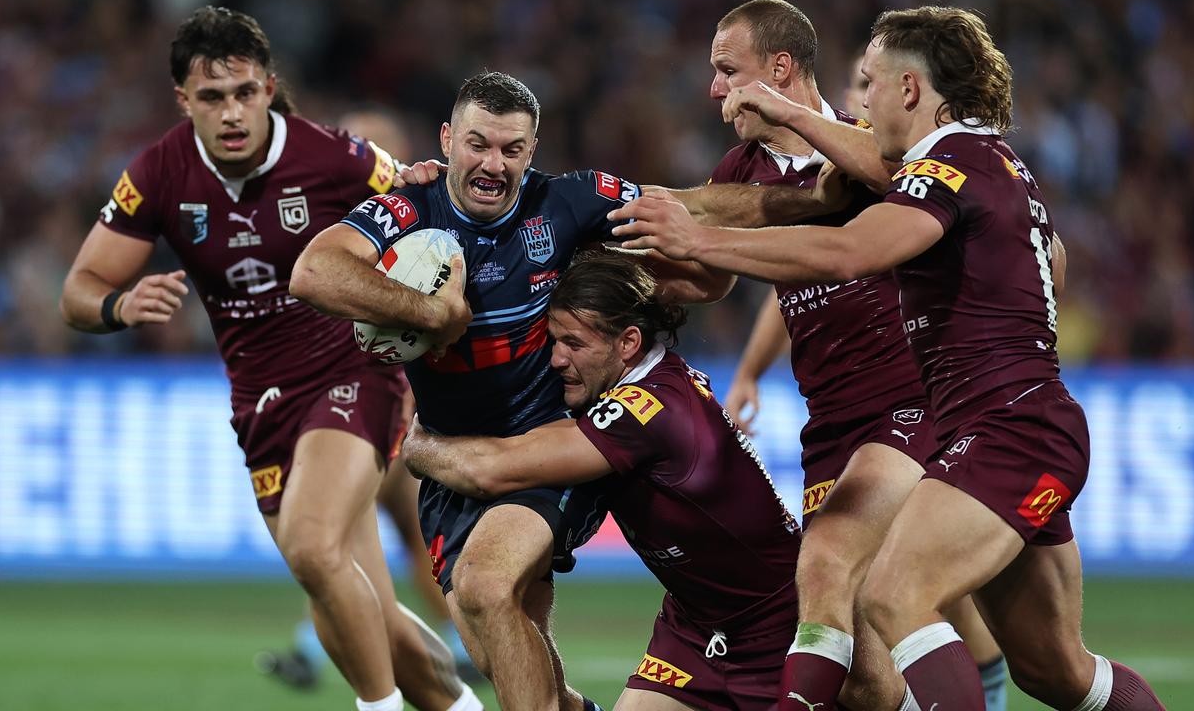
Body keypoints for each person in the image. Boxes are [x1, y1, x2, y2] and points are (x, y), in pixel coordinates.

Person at [612, 5, 1165, 711]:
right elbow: (1046, 258)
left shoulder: (952, 165)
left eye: (870, 82)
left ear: (910, 90)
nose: (861, 98)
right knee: (1057, 671)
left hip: (1000, 429)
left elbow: (846, 253)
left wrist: (697, 239)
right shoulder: (989, 162)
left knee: (891, 593)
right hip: (1003, 427)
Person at [291, 69, 845, 710]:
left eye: (511, 150)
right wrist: (435, 314)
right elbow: (315, 271)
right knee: (504, 650)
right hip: (453, 465)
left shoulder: (566, 203)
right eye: (477, 144)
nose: (492, 164)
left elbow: (693, 203)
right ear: (446, 140)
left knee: (485, 584)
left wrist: (814, 201)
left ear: (533, 151)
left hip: (543, 448)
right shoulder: (407, 210)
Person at [58, 7, 477, 711]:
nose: (231, 112)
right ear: (182, 101)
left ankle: (377, 709)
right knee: (359, 602)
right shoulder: (160, 173)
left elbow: (436, 219)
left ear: (269, 88)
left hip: (354, 373)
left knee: (314, 550)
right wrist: (119, 308)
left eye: (245, 92)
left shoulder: (333, 157)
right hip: (261, 405)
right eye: (213, 97)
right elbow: (78, 291)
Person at [705, 0, 1005, 710]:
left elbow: (856, 241)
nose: (716, 91)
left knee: (836, 564)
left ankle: (981, 684)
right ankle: (974, 682)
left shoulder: (871, 147)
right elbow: (777, 273)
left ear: (779, 68)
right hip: (831, 424)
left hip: (908, 400)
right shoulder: (738, 167)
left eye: (727, 71)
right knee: (866, 671)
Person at [401, 254, 802, 711]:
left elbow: (493, 470)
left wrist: (419, 449)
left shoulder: (648, 410)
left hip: (774, 630)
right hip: (693, 625)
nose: (556, 359)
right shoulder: (639, 384)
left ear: (628, 341)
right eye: (553, 341)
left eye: (573, 343)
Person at [258, 107, 480, 691]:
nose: (359, 154)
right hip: (343, 404)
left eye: (372, 145)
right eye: (354, 142)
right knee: (349, 537)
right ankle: (441, 646)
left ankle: (335, 649)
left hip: (384, 404)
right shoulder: (336, 232)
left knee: (352, 536)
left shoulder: (422, 224)